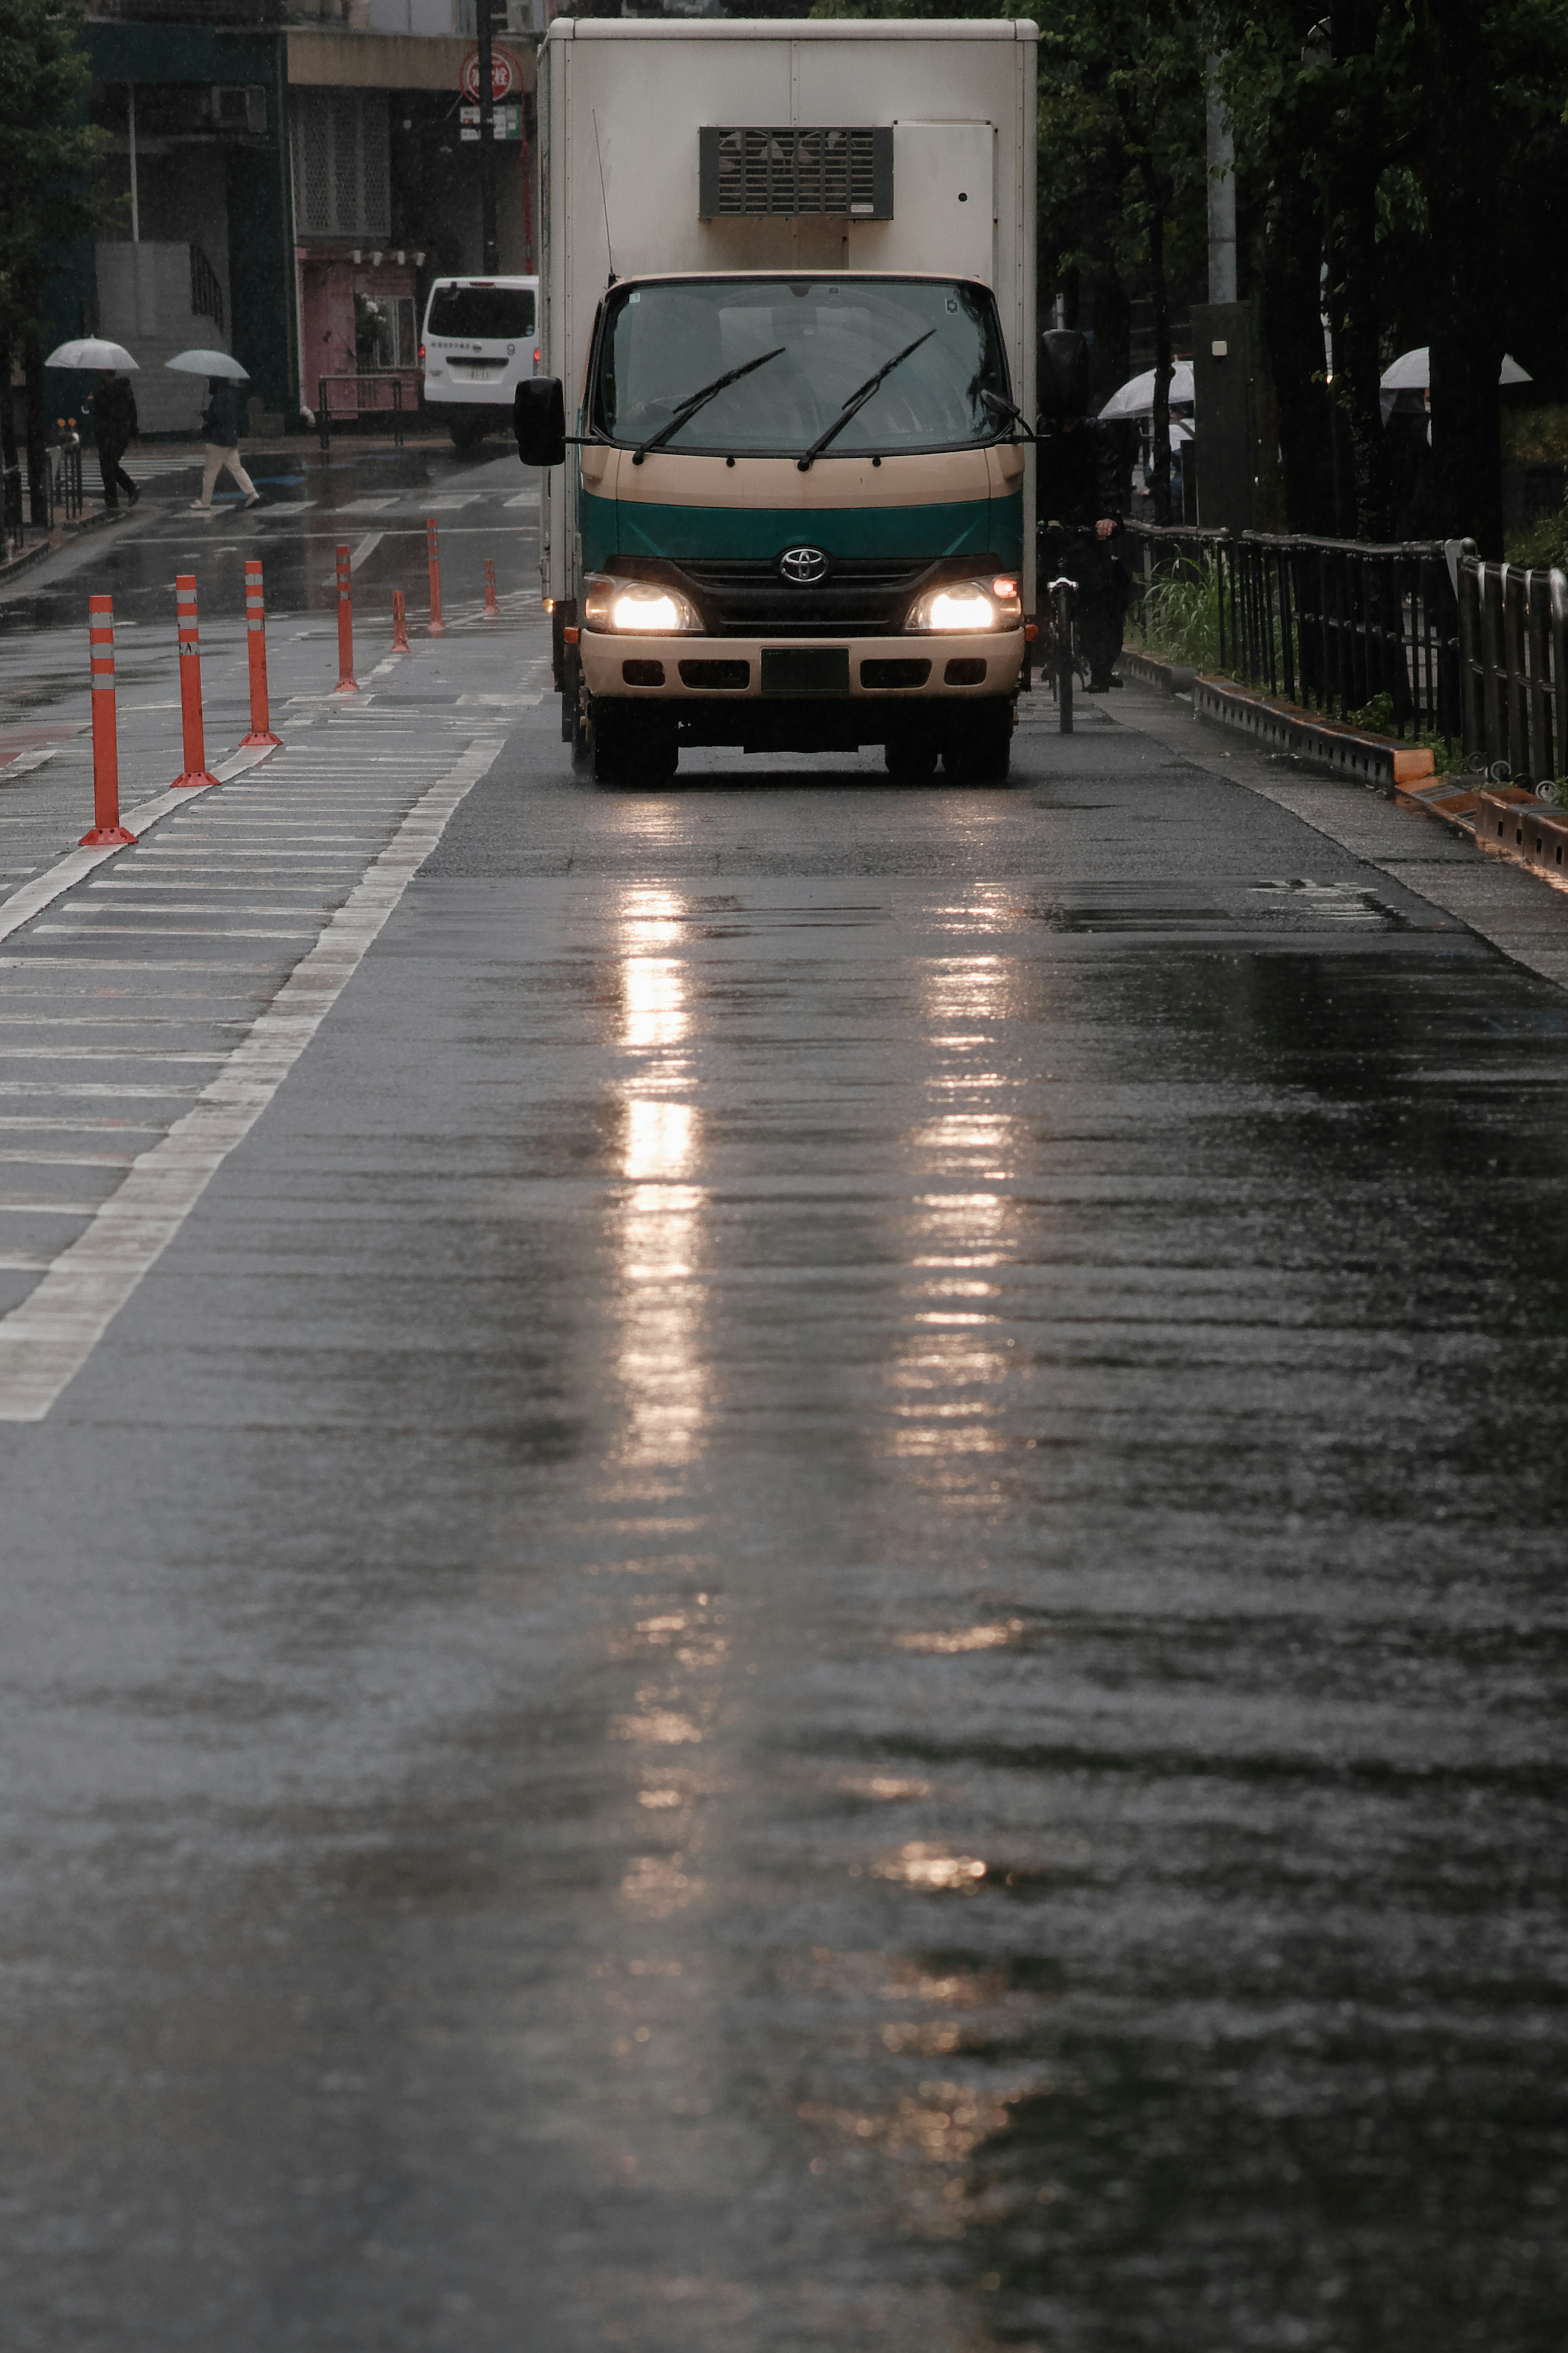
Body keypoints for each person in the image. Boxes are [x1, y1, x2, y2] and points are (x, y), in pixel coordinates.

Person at [1036, 328, 1130, 693]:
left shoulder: (1096, 432)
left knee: (1101, 592)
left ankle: (1100, 666)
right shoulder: (1040, 431)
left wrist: (1108, 516)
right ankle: (1038, 653)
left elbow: (1109, 474)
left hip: (1086, 527)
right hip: (1048, 525)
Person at [192, 377, 260, 511]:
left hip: (218, 441)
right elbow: (227, 416)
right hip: (230, 439)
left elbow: (216, 417)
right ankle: (252, 494)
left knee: (210, 473)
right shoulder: (230, 396)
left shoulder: (218, 398)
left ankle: (206, 502)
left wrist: (205, 414)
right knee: (237, 469)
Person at [89, 370, 140, 512]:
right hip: (121, 434)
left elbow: (97, 410)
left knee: (108, 466)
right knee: (110, 465)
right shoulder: (125, 391)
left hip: (107, 433)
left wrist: (92, 401)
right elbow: (132, 412)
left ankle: (115, 497)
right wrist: (133, 433)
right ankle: (127, 491)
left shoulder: (102, 392)